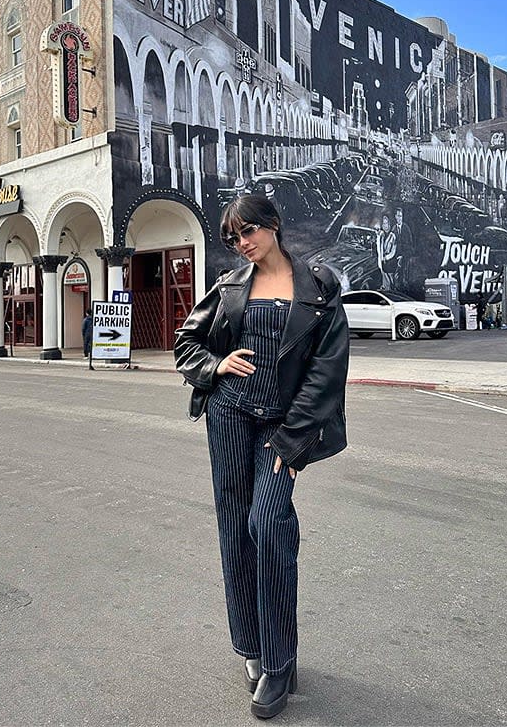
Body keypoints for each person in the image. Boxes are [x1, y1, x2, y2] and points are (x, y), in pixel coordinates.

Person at [174, 193, 349, 720]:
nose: (242, 243)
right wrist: (218, 363)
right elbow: (187, 342)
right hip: (229, 417)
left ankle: (281, 662)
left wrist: (295, 441)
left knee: (268, 524)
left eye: (248, 231)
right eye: (233, 237)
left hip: (280, 426)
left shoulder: (317, 287)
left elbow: (326, 371)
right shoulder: (229, 288)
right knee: (233, 526)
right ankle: (253, 648)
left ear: (272, 225)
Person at [377, 213, 398, 290]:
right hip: (382, 263)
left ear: (389, 224)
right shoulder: (381, 236)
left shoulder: (393, 236)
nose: (385, 225)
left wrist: (386, 258)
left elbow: (393, 251)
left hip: (390, 263)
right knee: (384, 281)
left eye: (387, 223)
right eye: (384, 223)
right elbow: (379, 249)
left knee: (390, 282)